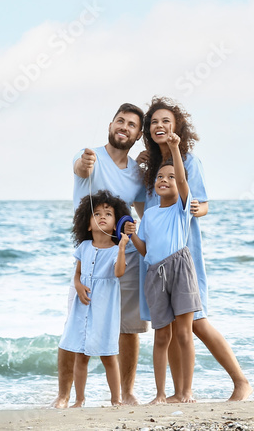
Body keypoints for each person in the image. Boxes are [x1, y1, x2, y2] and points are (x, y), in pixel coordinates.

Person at [138, 97, 252, 402]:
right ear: (149, 130)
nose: (160, 126)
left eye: (166, 121)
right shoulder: (150, 169)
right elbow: (146, 210)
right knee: (171, 327)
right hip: (156, 258)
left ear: (177, 127)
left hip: (184, 252)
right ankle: (179, 392)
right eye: (154, 122)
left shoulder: (188, 161)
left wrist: (196, 209)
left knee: (197, 321)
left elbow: (200, 204)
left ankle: (240, 381)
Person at [54, 103, 147, 408]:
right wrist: (85, 162)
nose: (124, 126)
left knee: (128, 327)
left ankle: (125, 393)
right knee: (74, 326)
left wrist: (146, 245)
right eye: (120, 121)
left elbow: (143, 213)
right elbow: (80, 168)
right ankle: (64, 396)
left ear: (138, 134)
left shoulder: (137, 172)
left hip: (126, 255)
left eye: (132, 124)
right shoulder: (90, 156)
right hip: (90, 253)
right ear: (110, 124)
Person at [127, 133, 200, 404]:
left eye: (169, 177)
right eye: (159, 177)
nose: (164, 180)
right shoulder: (150, 214)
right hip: (154, 273)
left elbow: (182, 180)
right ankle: (160, 394)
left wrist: (174, 148)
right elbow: (145, 249)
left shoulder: (182, 208)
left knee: (183, 333)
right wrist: (132, 233)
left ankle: (186, 392)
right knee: (161, 336)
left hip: (181, 268)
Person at [58, 191, 132, 407]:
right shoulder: (83, 247)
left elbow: (119, 273)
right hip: (84, 305)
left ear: (116, 223)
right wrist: (78, 286)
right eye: (97, 213)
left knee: (108, 355)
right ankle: (79, 399)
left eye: (108, 214)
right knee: (81, 356)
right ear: (88, 224)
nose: (102, 216)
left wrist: (121, 248)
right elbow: (77, 273)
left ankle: (116, 400)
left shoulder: (115, 250)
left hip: (104, 309)